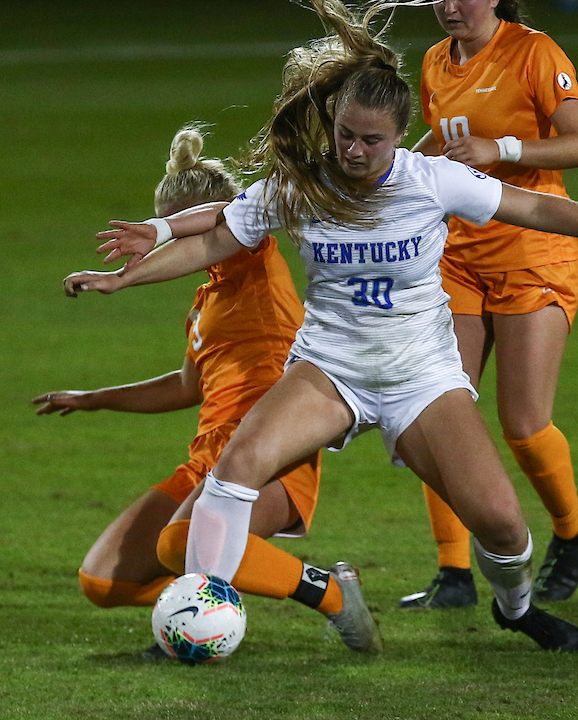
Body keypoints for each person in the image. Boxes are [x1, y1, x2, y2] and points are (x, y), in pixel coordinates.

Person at [68, 0, 578, 653]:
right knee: (235, 470)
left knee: (503, 528)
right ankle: (202, 617)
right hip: (328, 370)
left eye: (372, 140)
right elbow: (220, 235)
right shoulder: (303, 185)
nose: (356, 151)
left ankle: (516, 610)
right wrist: (126, 277)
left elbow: (538, 206)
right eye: (345, 135)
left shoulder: (433, 181)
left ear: (401, 134)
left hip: (419, 376)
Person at [36, 127, 380, 656]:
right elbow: (184, 386)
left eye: (174, 235)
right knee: (104, 582)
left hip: (270, 455)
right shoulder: (206, 300)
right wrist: (93, 397)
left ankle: (332, 595)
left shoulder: (254, 259)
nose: (173, 245)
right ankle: (204, 607)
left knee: (180, 542)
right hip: (206, 459)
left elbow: (227, 218)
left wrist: (131, 268)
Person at [398, 0, 578, 610]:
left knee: (522, 424)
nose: (449, 7)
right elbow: (437, 142)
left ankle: (568, 533)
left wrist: (502, 146)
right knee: (437, 410)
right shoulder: (433, 61)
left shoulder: (534, 52)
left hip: (531, 251)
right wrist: (387, 174)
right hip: (455, 256)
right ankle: (453, 573)